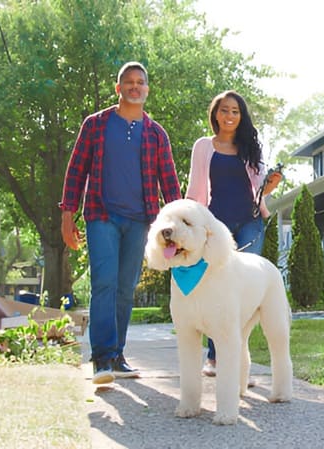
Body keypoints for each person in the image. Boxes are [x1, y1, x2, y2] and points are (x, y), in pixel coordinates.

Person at [60, 61, 181, 384]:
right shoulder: (96, 125)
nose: (135, 87)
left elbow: (169, 183)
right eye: (128, 82)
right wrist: (67, 214)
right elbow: (76, 170)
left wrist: (179, 223)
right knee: (104, 283)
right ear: (118, 88)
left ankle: (117, 355)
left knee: (125, 289)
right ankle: (101, 358)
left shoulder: (156, 135)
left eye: (140, 82)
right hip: (101, 215)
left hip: (140, 219)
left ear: (147, 89)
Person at [185, 90, 281, 379]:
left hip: (250, 222)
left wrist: (271, 184)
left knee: (242, 292)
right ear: (215, 114)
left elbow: (259, 192)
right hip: (216, 228)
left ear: (242, 117)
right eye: (224, 110)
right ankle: (215, 358)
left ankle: (238, 364)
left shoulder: (250, 149)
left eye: (235, 111)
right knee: (219, 292)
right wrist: (189, 222)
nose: (229, 116)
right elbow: (195, 189)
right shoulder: (204, 146)